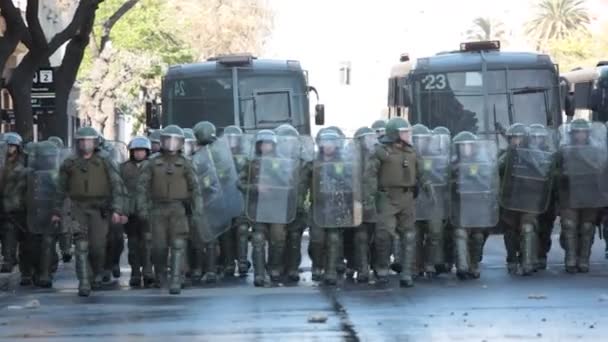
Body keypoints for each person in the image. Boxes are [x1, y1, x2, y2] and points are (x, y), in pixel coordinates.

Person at [52, 127, 125, 296]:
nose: (85, 144)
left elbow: (117, 186)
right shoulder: (69, 163)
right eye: (82, 140)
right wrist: (57, 210)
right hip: (78, 208)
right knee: (81, 245)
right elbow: (60, 189)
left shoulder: (106, 161)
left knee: (98, 247)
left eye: (89, 140)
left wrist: (117, 209)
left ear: (95, 142)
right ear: (78, 143)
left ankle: (97, 273)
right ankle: (84, 281)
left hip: (100, 209)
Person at [136, 125, 202, 294]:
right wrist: (142, 208)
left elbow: (195, 188)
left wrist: (197, 210)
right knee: (159, 247)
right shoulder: (151, 162)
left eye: (175, 140)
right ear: (162, 141)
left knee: (178, 243)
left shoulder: (186, 163)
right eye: (168, 140)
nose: (171, 144)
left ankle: (176, 278)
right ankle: (160, 274)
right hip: (157, 209)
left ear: (181, 143)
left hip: (178, 209)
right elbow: (142, 187)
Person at [374, 117, 431, 287]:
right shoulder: (381, 152)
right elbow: (369, 176)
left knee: (409, 234)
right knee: (384, 234)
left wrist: (428, 186)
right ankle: (382, 268)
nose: (408, 135)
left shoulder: (412, 152)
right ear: (395, 134)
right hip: (387, 198)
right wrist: (369, 198)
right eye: (404, 132)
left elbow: (421, 172)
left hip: (407, 197)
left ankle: (407, 272)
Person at [242, 130, 299, 286]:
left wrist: (278, 177)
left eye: (268, 143)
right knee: (258, 239)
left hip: (277, 207)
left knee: (278, 239)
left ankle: (274, 267)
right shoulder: (252, 163)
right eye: (262, 143)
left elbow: (290, 182)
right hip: (258, 207)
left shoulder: (282, 162)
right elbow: (239, 183)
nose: (265, 146)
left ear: (273, 145)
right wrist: (255, 188)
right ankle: (259, 273)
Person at [557, 119, 605, 273]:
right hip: (569, 193)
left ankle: (584, 259)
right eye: (577, 132)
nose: (580, 135)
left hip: (590, 194)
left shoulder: (596, 151)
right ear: (572, 134)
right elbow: (553, 170)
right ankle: (570, 258)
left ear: (588, 134)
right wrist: (562, 175)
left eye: (582, 132)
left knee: (587, 226)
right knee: (569, 225)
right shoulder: (564, 151)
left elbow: (602, 170)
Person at [450, 131, 498, 280]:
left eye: (468, 145)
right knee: (460, 233)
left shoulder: (483, 162)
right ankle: (462, 267)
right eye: (462, 146)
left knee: (477, 236)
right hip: (460, 205)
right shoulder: (452, 163)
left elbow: (488, 181)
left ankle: (474, 265)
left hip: (477, 205)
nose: (465, 149)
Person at [121, 136, 154, 287]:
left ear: (147, 151)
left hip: (148, 210)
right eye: (136, 151)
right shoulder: (124, 167)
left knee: (147, 242)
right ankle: (135, 272)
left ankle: (148, 271)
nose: (139, 153)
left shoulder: (153, 166)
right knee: (133, 244)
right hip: (131, 211)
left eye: (142, 151)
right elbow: (119, 189)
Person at [224, 125, 252, 276]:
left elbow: (251, 177)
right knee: (226, 231)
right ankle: (228, 263)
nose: (232, 142)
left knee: (242, 230)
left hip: (241, 200)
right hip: (224, 201)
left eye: (234, 139)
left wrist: (244, 185)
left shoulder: (247, 158)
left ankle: (242, 262)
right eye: (229, 139)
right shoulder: (219, 157)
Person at [0, 133, 27, 277]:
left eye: (12, 146)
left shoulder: (22, 164)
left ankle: (9, 260)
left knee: (10, 232)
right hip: (3, 201)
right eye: (7, 146)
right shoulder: (2, 162)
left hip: (14, 204)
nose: (9, 149)